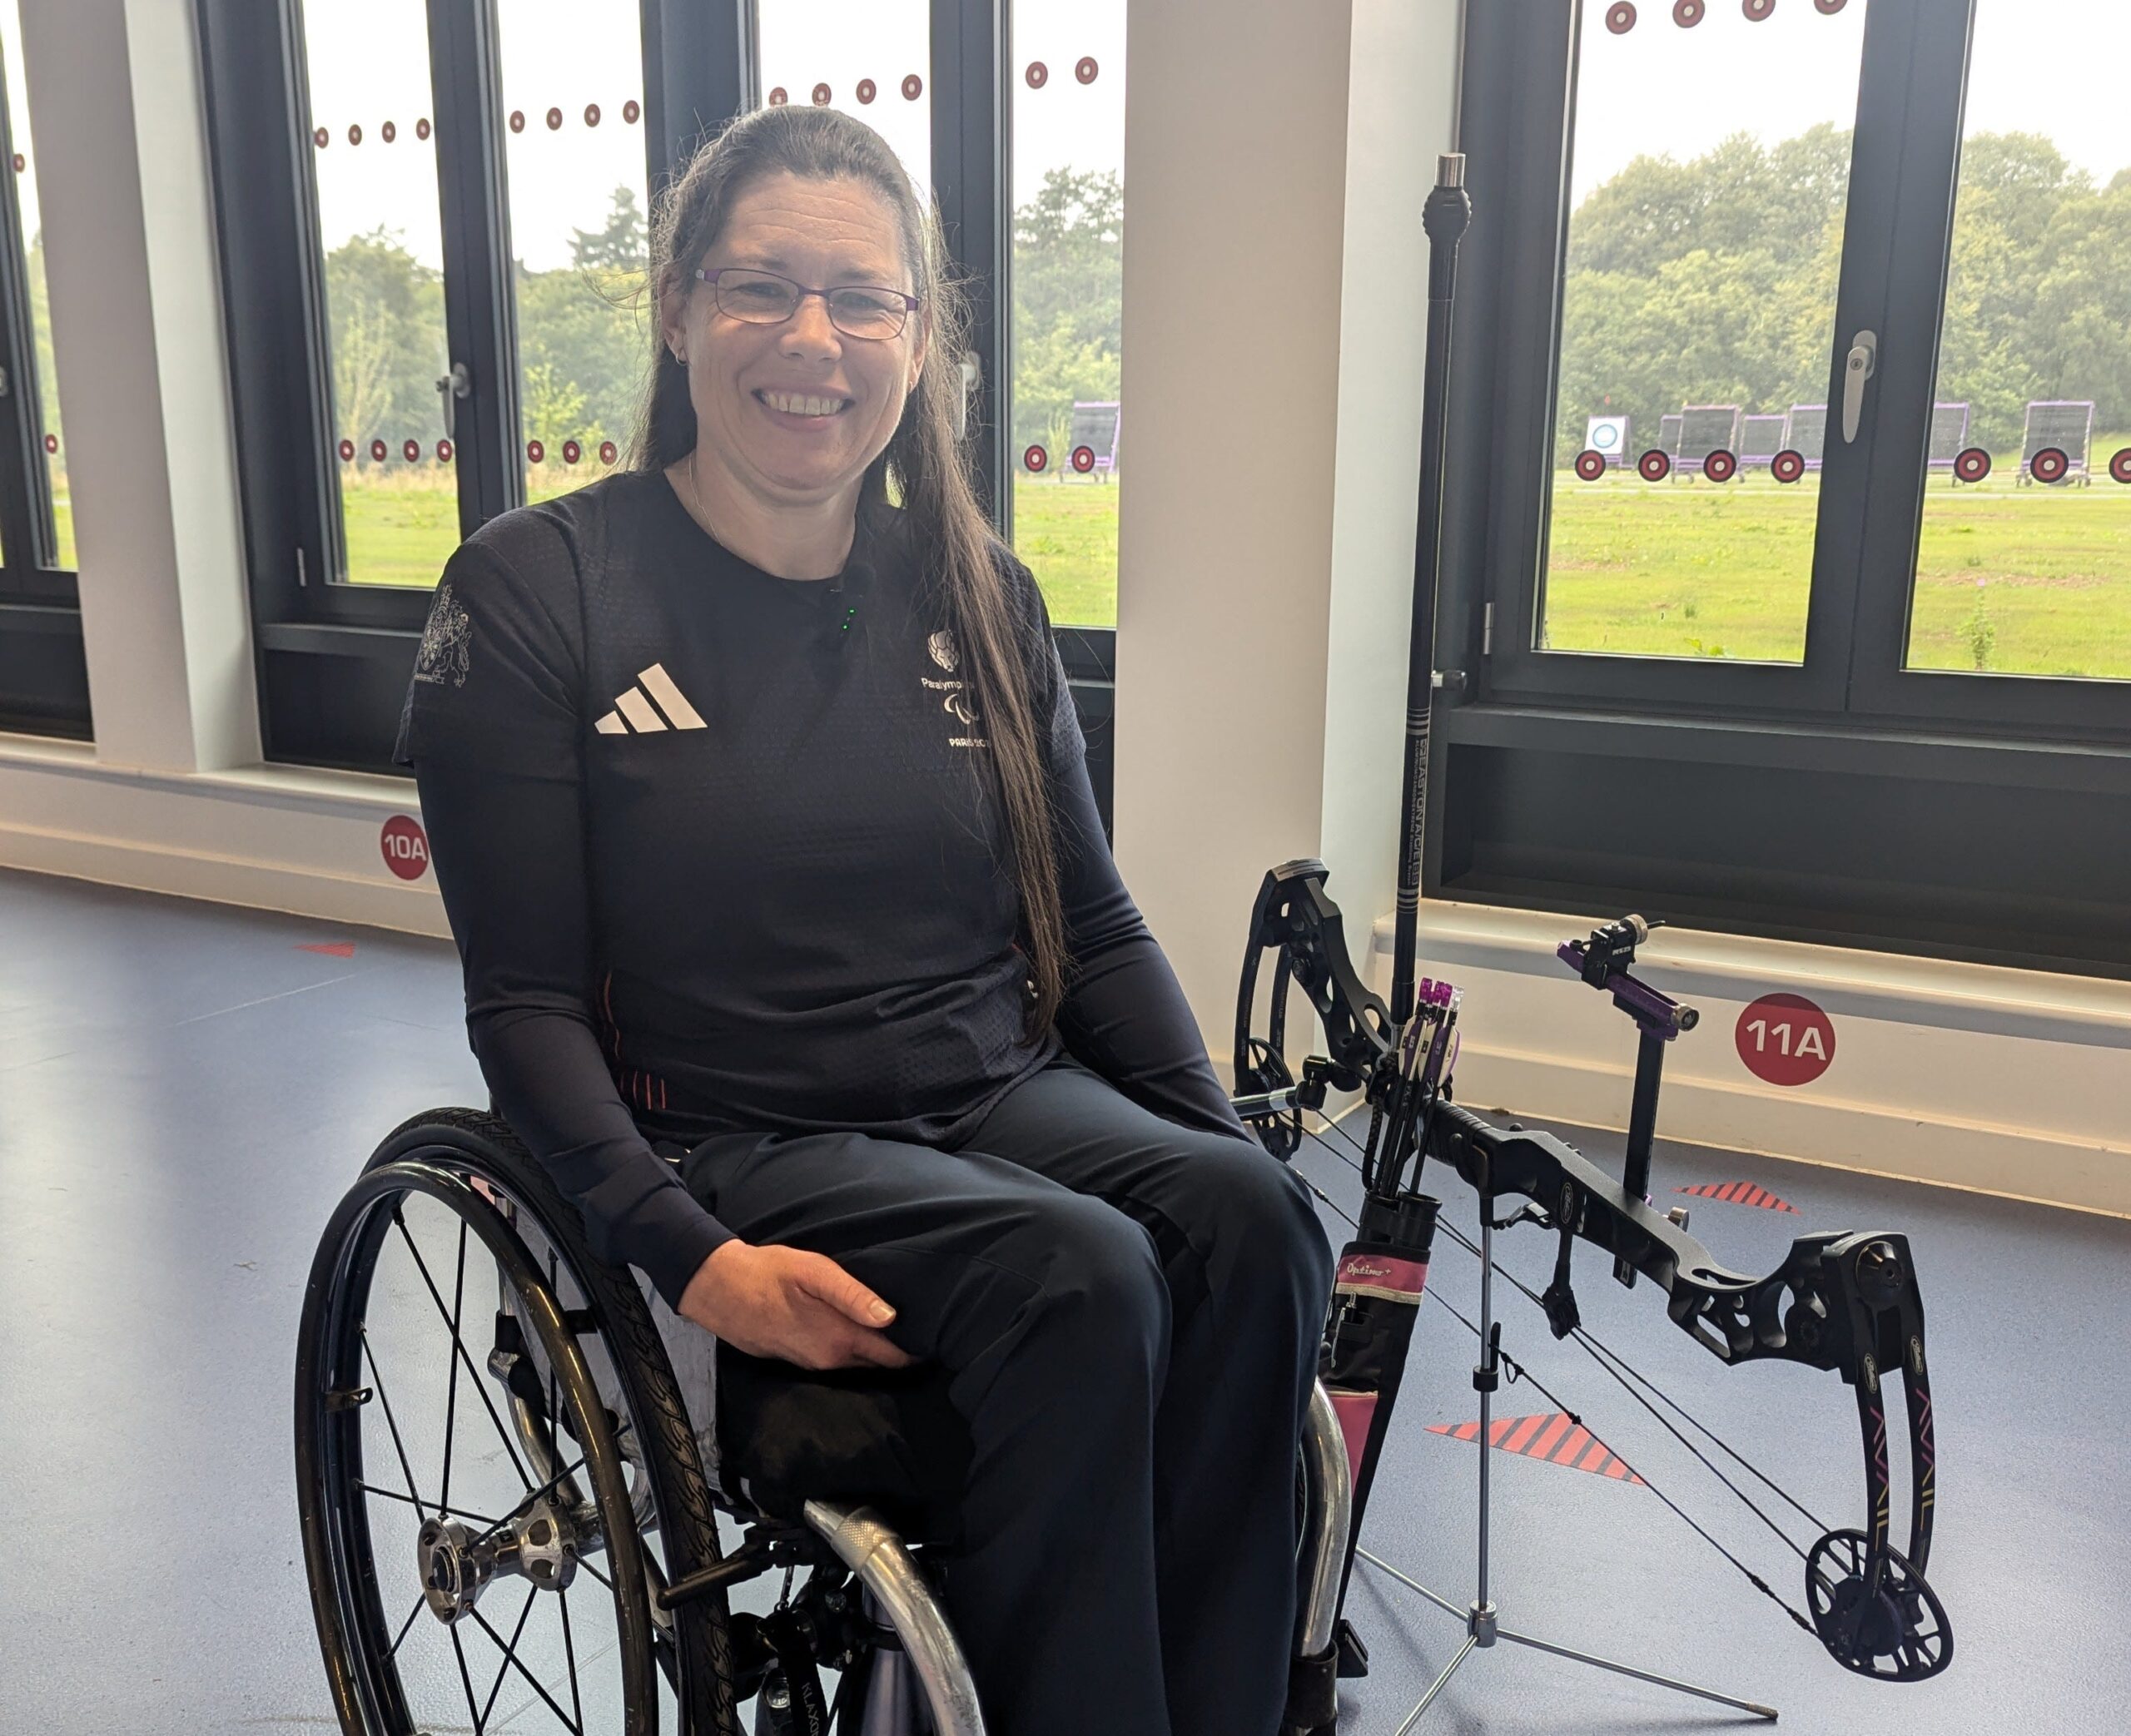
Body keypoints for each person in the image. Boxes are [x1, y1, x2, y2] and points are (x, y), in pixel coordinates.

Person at [395, 102, 1334, 1736]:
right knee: (1081, 1272)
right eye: (760, 286)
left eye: (862, 300)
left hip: (985, 1087)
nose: (810, 341)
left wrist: (1217, 1145)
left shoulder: (972, 588)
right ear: (679, 308)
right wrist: (695, 1263)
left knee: (1252, 1224)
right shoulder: (540, 591)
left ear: (919, 337)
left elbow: (1091, 926)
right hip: (733, 1126)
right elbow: (525, 1007)